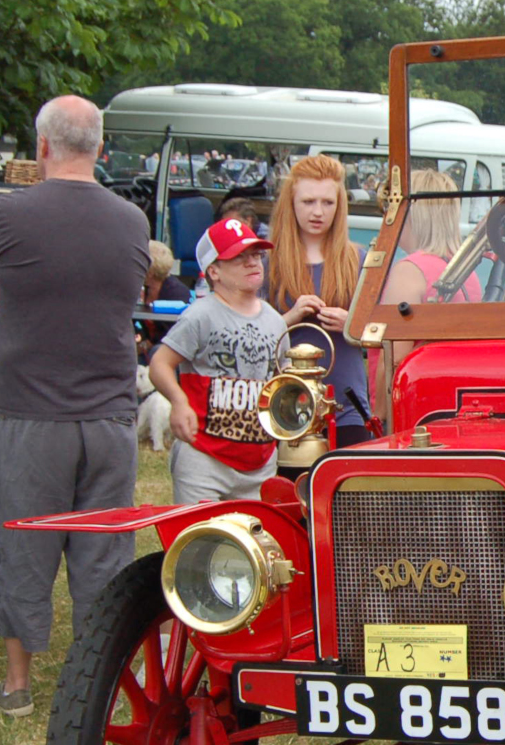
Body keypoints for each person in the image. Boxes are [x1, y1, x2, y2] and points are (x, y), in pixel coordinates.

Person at [0, 94, 150, 718]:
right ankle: (99, 689)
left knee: (25, 546)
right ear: (100, 150)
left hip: (31, 414)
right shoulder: (132, 221)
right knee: (103, 556)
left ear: (42, 147)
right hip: (109, 415)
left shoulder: (2, 214)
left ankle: (18, 688)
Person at [149, 219, 285, 504]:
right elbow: (160, 363)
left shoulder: (275, 320)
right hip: (205, 458)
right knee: (201, 543)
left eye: (256, 255)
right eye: (238, 257)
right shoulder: (201, 314)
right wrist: (178, 401)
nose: (252, 263)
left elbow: (279, 381)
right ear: (214, 271)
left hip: (259, 462)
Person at [265, 153, 370, 446]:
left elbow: (383, 335)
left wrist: (352, 325)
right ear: (291, 203)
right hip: (286, 406)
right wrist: (289, 317)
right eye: (308, 202)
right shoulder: (268, 262)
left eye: (328, 203)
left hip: (347, 407)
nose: (318, 212)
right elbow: (253, 332)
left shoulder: (360, 261)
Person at [375, 168, 482, 415]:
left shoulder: (410, 271)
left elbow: (393, 359)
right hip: (448, 403)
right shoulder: (467, 274)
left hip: (411, 409)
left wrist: (378, 416)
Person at [136, 240, 192, 361]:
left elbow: (176, 333)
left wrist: (146, 345)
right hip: (145, 345)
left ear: (150, 272)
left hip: (169, 347)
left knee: (157, 352)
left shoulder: (177, 293)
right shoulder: (142, 289)